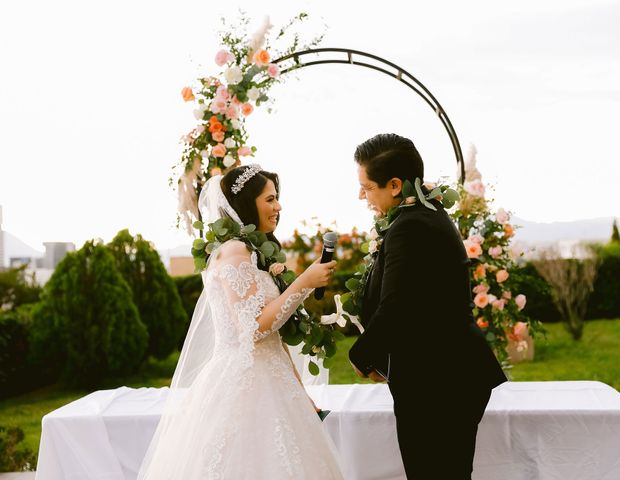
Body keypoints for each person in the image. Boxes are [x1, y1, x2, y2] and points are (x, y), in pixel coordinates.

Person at [137, 164, 344, 479]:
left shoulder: (254, 253)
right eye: (270, 199)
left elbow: (272, 336)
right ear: (247, 204)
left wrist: (301, 393)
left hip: (274, 378)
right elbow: (254, 328)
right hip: (245, 384)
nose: (278, 207)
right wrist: (304, 282)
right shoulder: (234, 251)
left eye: (277, 198)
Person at [348, 134, 507, 479]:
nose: (362, 195)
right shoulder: (424, 215)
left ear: (394, 185)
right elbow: (417, 306)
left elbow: (397, 306)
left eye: (367, 187)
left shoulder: (412, 226)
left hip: (440, 384)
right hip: (444, 376)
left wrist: (361, 356)